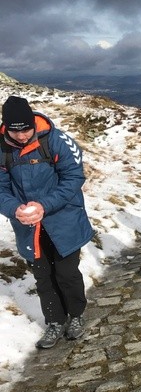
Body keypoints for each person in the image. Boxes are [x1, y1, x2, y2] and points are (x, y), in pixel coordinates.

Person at [0, 96, 94, 348]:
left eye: (26, 129)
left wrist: (45, 205)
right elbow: (0, 189)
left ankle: (75, 316)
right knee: (43, 276)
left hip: (64, 219)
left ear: (33, 122)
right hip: (28, 225)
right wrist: (14, 209)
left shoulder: (55, 140)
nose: (21, 136)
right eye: (15, 130)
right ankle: (54, 321)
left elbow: (74, 177)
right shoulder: (2, 149)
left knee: (66, 273)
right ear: (6, 126)